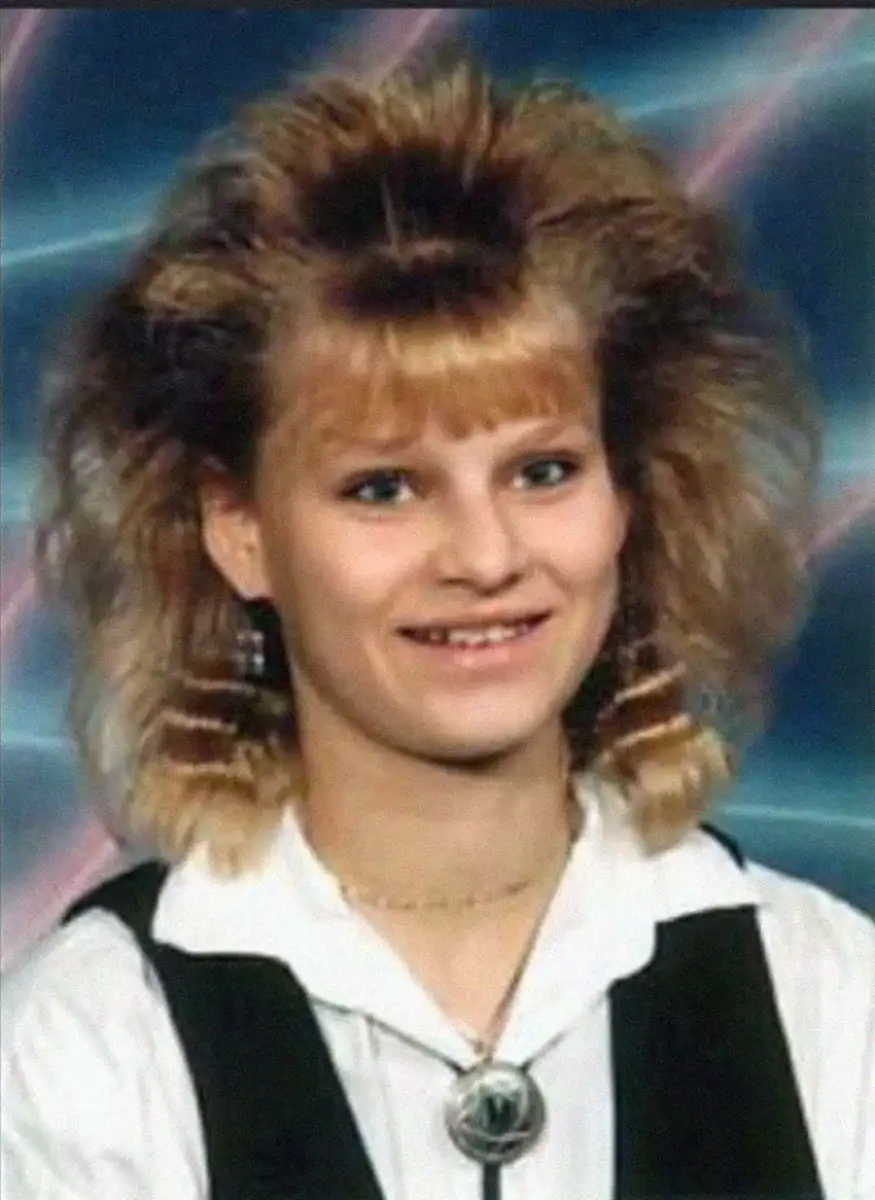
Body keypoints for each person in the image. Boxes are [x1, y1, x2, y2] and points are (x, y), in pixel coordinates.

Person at [1, 56, 872, 1200]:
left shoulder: (827, 994)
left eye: (541, 471)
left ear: (628, 495)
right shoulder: (90, 1041)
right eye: (383, 488)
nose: (484, 556)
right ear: (237, 526)